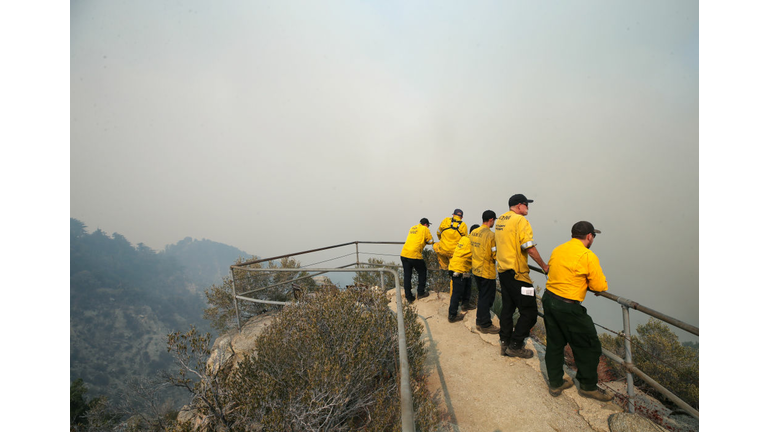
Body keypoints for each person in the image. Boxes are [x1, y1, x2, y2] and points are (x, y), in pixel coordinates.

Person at [543, 221, 613, 402]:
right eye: (593, 236)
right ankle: (588, 387)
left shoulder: (558, 249)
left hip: (549, 299)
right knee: (590, 346)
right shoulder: (587, 255)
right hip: (568, 306)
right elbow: (599, 285)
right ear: (589, 236)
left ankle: (556, 382)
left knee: (555, 342)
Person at [495, 194, 549, 358]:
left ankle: (504, 341)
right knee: (530, 312)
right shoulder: (521, 221)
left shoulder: (501, 220)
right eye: (526, 205)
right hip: (518, 275)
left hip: (503, 271)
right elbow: (529, 247)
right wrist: (544, 266)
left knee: (508, 308)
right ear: (519, 206)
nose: (528, 208)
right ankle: (516, 345)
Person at [471, 210, 499, 334]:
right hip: (487, 271)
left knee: (482, 296)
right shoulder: (491, 236)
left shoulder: (474, 232)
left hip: (476, 269)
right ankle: (485, 324)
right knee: (486, 298)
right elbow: (495, 254)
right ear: (491, 220)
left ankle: (479, 321)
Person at [447, 224, 480, 322]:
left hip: (457, 267)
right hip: (459, 269)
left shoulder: (464, 238)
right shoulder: (473, 242)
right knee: (457, 293)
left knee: (467, 283)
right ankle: (452, 315)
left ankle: (465, 305)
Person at [400, 218, 434, 303]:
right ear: (426, 224)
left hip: (404, 254)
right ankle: (421, 293)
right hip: (414, 255)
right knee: (422, 271)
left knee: (407, 275)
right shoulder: (425, 229)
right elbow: (431, 241)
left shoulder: (413, 228)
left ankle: (409, 297)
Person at [434, 209, 468, 276]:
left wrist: (442, 240)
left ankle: (444, 267)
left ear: (453, 215)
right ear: (462, 217)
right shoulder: (463, 225)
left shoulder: (446, 220)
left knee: (435, 245)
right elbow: (465, 241)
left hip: (443, 249)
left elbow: (438, 232)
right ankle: (450, 270)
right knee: (453, 273)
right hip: (454, 253)